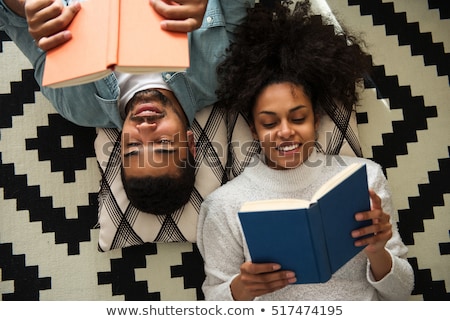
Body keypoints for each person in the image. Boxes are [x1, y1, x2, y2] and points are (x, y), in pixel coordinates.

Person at [197, 2, 414, 300]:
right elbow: (214, 305)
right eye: (269, 122)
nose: (286, 131)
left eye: (298, 118)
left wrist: (378, 252)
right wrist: (240, 290)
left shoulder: (364, 178)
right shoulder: (223, 205)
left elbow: (403, 292)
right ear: (253, 130)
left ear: (316, 120)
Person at [0, 0, 255, 215]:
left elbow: (12, 16)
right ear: (190, 143)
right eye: (163, 144)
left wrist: (26, 7)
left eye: (133, 147)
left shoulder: (76, 104)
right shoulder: (225, 73)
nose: (145, 129)